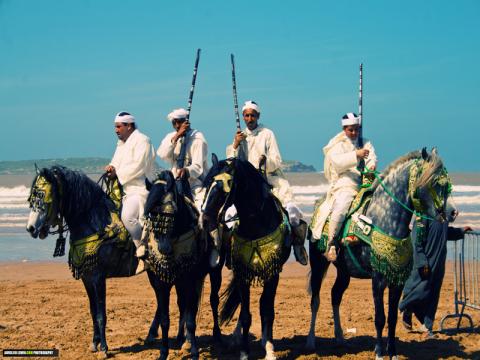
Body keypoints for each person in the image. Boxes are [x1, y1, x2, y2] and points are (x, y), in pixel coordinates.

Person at [226, 100, 308, 265]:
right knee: (228, 216)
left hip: (270, 180)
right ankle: (228, 252)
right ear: (243, 117)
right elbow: (231, 162)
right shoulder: (239, 136)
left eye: (253, 115)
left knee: (291, 212)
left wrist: (264, 161)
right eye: (247, 115)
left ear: (258, 116)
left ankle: (298, 246)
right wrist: (235, 145)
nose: (250, 119)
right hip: (247, 186)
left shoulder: (267, 133)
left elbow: (276, 160)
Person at [311, 112, 377, 262]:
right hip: (345, 182)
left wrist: (371, 166)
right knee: (341, 206)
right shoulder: (338, 144)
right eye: (350, 130)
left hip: (366, 181)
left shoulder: (365, 142)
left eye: (356, 129)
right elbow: (337, 163)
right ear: (344, 129)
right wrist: (356, 155)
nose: (353, 133)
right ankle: (332, 243)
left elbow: (372, 156)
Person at [400, 222, 473, 338]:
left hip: (439, 265)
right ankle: (406, 307)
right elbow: (416, 243)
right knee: (419, 292)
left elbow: (444, 233)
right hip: (424, 265)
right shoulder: (422, 216)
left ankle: (427, 327)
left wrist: (460, 231)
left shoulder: (442, 218)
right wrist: (423, 263)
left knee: (433, 297)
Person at [105, 111, 156, 273]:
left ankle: (143, 253)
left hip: (141, 190)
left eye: (119, 126)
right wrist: (111, 167)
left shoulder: (143, 140)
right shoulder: (121, 144)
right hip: (124, 190)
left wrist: (117, 173)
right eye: (115, 127)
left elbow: (138, 167)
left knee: (127, 217)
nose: (116, 130)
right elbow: (116, 162)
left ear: (129, 126)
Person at [157, 108, 210, 211]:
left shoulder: (198, 138)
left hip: (194, 186)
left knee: (201, 210)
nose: (177, 126)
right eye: (174, 123)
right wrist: (176, 137)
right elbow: (162, 154)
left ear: (186, 122)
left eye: (180, 122)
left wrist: (186, 171)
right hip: (173, 184)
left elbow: (198, 167)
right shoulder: (171, 137)